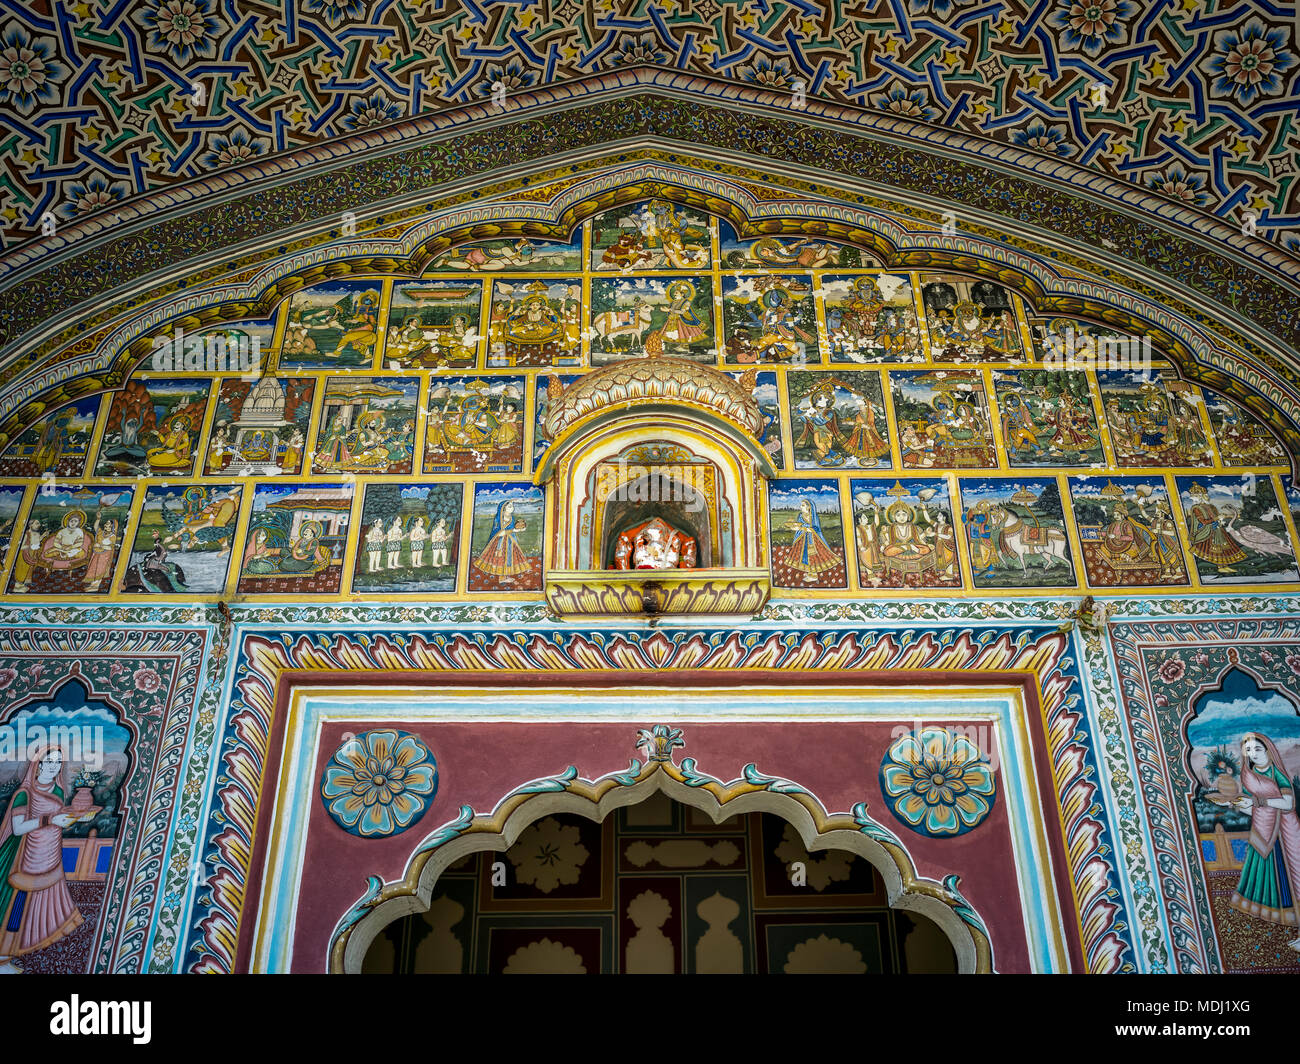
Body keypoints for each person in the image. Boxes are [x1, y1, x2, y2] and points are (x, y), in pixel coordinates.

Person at [0, 746, 85, 970]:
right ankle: (2, 956)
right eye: (49, 762)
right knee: (15, 903)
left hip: (46, 855)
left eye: (58, 763)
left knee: (32, 905)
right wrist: (50, 820)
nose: (53, 767)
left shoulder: (58, 792)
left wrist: (71, 818)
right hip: (21, 857)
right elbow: (18, 829)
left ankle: (10, 955)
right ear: (38, 765)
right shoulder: (24, 794)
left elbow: (55, 818)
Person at [1228, 732, 1300, 949]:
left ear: (1268, 750)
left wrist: (1258, 801)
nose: (1253, 754)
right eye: (1248, 751)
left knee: (1296, 879)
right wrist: (1241, 806)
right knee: (1283, 880)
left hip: (1286, 832)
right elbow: (1261, 811)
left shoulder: (1277, 774)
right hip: (1267, 833)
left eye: (1257, 749)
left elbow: (1287, 804)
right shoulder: (1249, 776)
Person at [474, 500, 531, 585]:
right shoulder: (498, 518)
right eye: (509, 506)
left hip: (510, 540)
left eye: (512, 506)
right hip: (500, 542)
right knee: (501, 558)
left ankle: (506, 576)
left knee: (509, 557)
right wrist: (514, 530)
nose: (512, 508)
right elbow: (500, 533)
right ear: (503, 509)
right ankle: (502, 578)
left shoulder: (512, 518)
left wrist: (520, 529)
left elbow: (512, 529)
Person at [787, 498, 839, 582]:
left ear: (809, 507)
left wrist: (803, 528)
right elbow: (799, 526)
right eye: (801, 505)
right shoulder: (800, 516)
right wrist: (796, 528)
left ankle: (814, 575)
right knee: (805, 556)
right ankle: (809, 574)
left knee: (813, 556)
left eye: (803, 505)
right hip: (803, 539)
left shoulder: (814, 516)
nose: (801, 507)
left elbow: (816, 529)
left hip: (813, 539)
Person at [81, 514, 119, 590]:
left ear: (112, 527)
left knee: (100, 569)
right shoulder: (101, 533)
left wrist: (100, 546)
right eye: (106, 523)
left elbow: (110, 547)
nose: (105, 525)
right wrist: (98, 519)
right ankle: (92, 585)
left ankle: (95, 586)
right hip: (96, 554)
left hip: (104, 556)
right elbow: (96, 527)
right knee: (93, 568)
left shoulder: (112, 536)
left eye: (108, 524)